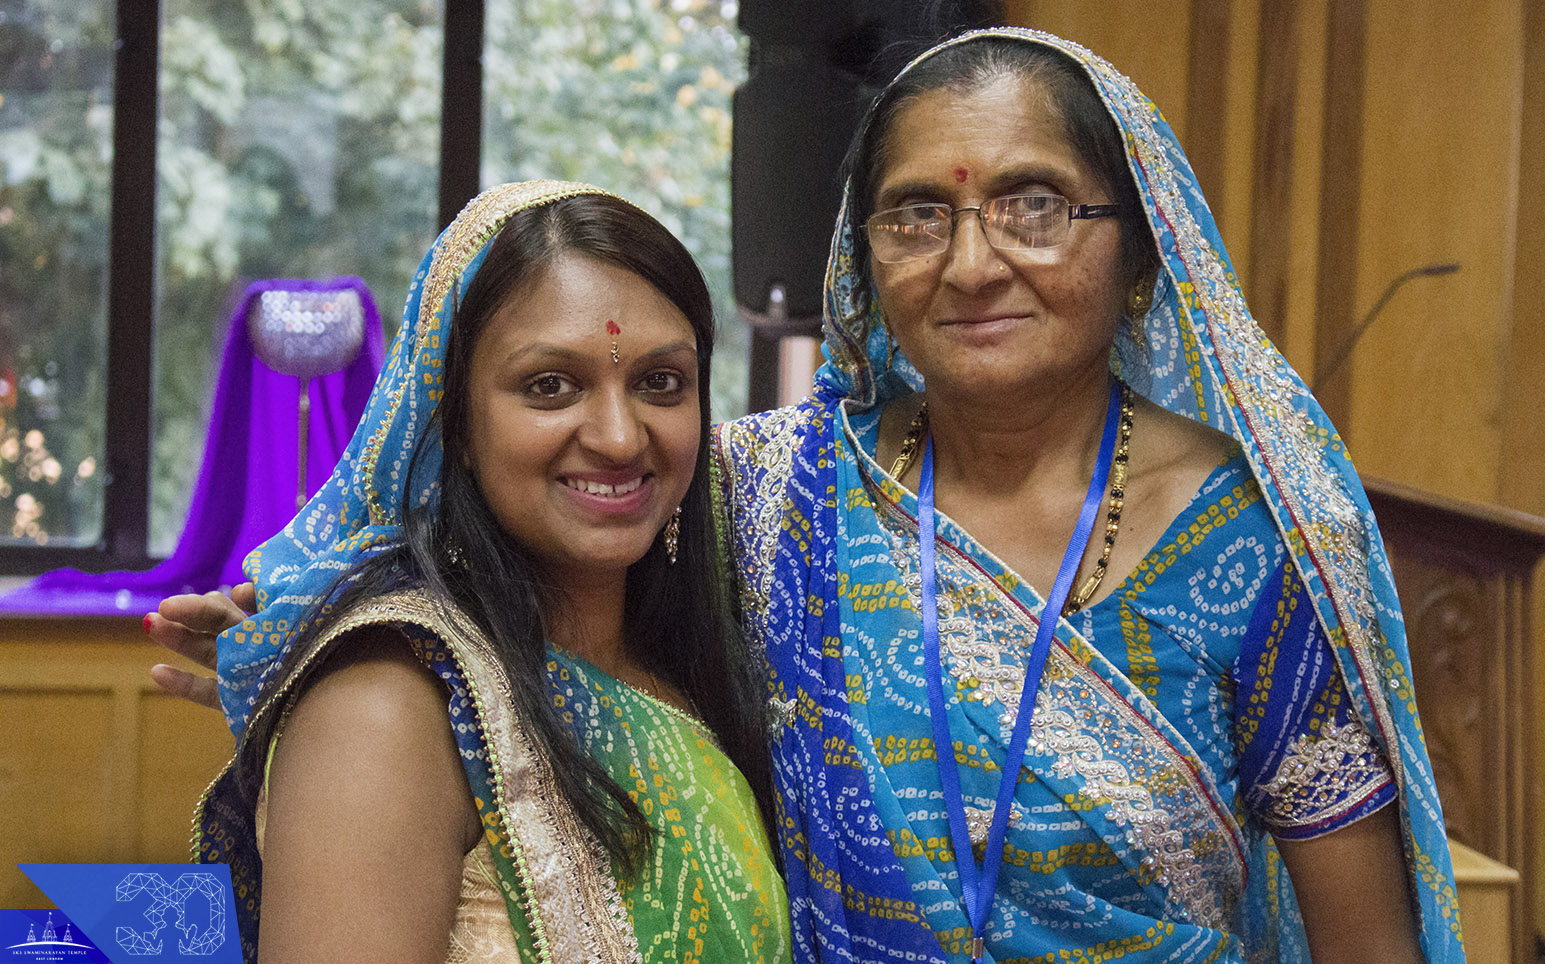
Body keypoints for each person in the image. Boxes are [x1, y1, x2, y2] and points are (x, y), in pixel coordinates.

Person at [154, 27, 1462, 964]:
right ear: (862, 259)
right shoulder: (762, 491)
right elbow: (524, 577)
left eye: (1034, 204)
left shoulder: (1266, 538)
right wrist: (320, 633)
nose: (972, 261)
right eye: (916, 214)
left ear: (1140, 250)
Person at [174, 179, 790, 964]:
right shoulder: (385, 709)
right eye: (550, 386)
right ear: (455, 424)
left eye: (660, 383)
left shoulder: (696, 666)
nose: (618, 437)